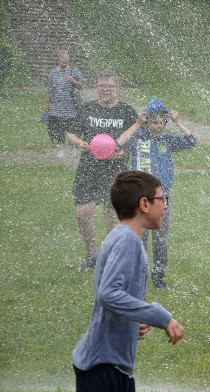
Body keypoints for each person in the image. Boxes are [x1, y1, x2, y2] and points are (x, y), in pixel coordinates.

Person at [72, 170, 185, 392]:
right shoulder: (127, 241)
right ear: (144, 204)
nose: (165, 204)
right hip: (103, 367)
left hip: (114, 365)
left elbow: (114, 296)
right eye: (162, 198)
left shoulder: (125, 238)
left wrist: (132, 321)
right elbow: (108, 293)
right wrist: (158, 315)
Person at [67, 71, 139, 272]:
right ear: (96, 88)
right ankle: (91, 254)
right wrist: (79, 142)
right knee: (82, 212)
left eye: (109, 86)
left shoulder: (126, 111)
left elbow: (135, 138)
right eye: (101, 86)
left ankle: (110, 258)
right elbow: (71, 133)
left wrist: (123, 151)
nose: (105, 89)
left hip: (116, 171)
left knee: (112, 216)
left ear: (117, 88)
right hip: (88, 167)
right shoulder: (88, 109)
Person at [119, 103, 197, 289]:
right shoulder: (137, 138)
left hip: (161, 197)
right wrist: (137, 124)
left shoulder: (167, 140)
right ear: (147, 123)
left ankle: (159, 275)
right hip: (139, 196)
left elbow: (192, 141)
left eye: (162, 122)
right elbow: (120, 142)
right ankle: (139, 274)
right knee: (141, 236)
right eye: (154, 122)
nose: (159, 125)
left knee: (161, 237)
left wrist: (178, 122)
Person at [45, 49, 86, 158]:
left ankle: (73, 146)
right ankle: (61, 150)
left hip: (71, 105)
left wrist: (73, 80)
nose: (64, 61)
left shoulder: (74, 70)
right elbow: (50, 90)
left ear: (69, 59)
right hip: (56, 106)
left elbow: (82, 84)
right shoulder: (53, 73)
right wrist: (47, 105)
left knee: (73, 128)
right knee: (57, 128)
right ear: (58, 60)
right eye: (62, 59)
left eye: (66, 59)